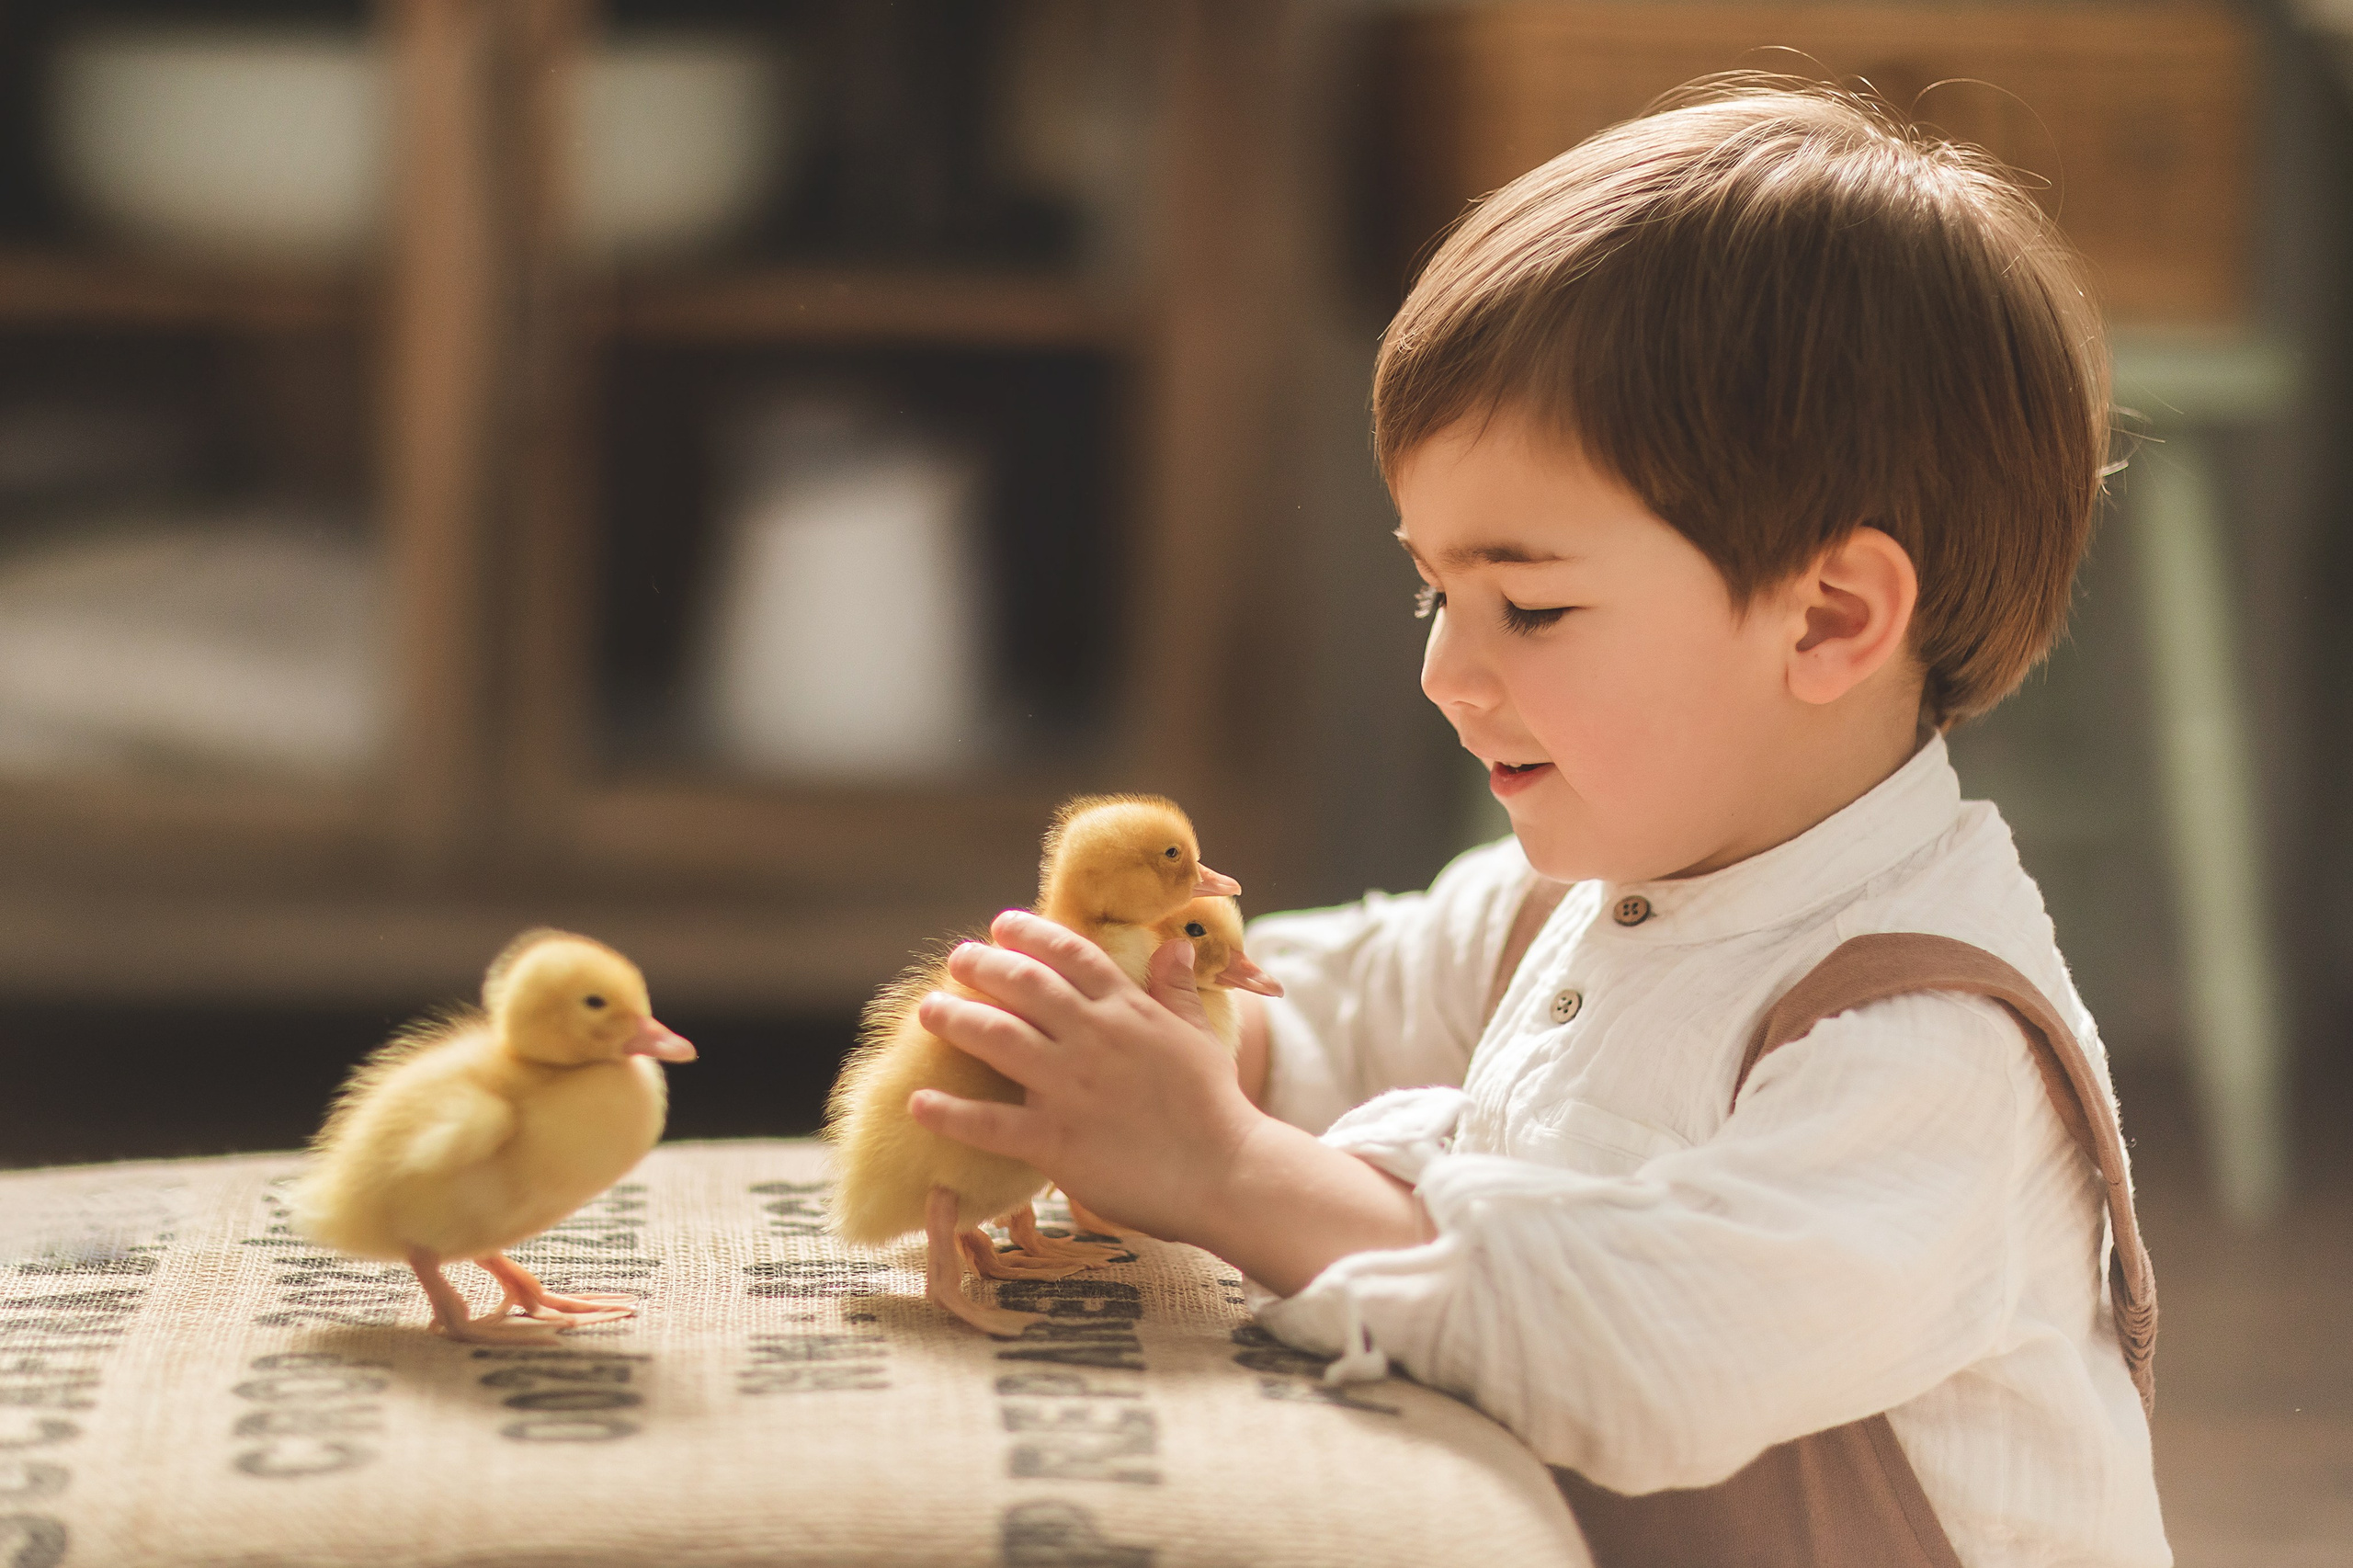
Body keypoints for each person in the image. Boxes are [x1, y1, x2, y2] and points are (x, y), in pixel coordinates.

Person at [907, 82, 2168, 1566]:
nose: (1445, 666)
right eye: (1436, 588)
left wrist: (1228, 1174)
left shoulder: (1931, 1049)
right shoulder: (1606, 897)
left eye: (1532, 605)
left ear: (1829, 619)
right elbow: (1368, 987)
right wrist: (1182, 1029)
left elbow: (1650, 1348)